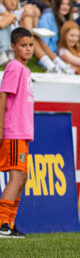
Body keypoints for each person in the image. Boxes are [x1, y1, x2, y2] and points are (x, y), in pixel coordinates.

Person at [0, 27, 34, 237]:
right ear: (13, 47)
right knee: (16, 177)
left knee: (22, 177)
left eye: (31, 45)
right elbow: (3, 95)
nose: (28, 49)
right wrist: (1, 127)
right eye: (23, 45)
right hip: (13, 132)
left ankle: (10, 224)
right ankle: (2, 222)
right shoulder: (14, 67)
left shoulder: (25, 70)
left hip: (22, 133)